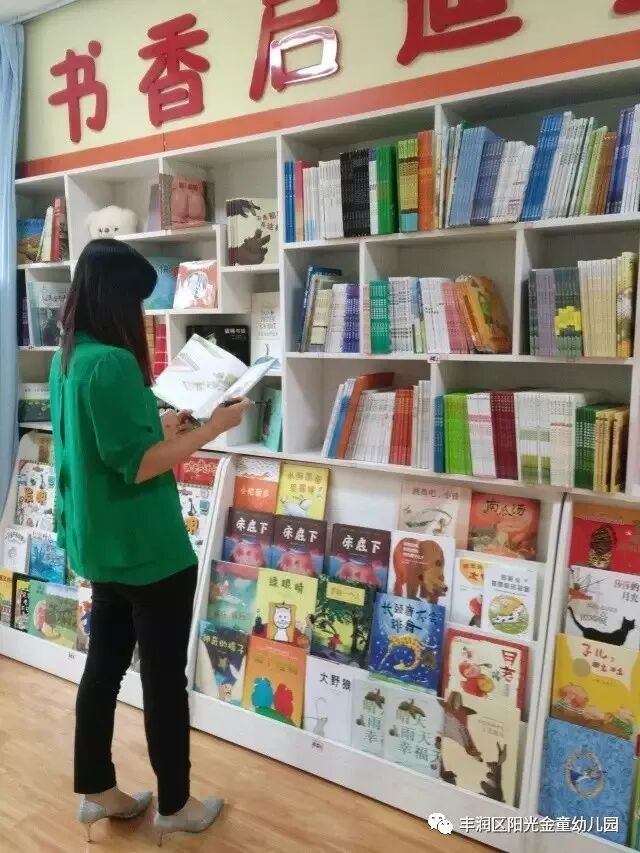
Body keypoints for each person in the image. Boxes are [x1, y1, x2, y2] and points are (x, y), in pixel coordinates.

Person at [49, 238, 251, 845]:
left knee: (103, 670)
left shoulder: (70, 358)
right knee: (163, 681)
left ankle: (98, 790)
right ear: (117, 299)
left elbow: (105, 444)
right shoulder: (112, 362)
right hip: (148, 548)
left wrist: (162, 425)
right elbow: (138, 465)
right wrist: (214, 427)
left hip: (101, 544)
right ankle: (177, 805)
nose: (139, 314)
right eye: (136, 302)